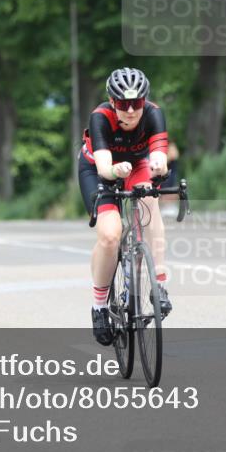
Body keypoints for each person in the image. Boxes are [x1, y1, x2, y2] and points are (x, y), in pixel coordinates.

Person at [78, 67, 170, 345]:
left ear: (145, 101)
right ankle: (99, 307)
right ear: (112, 101)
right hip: (99, 169)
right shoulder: (100, 118)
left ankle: (160, 285)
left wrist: (159, 164)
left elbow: (160, 158)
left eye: (136, 103)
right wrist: (116, 171)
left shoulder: (154, 114)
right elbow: (105, 168)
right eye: (123, 104)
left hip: (137, 165)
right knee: (109, 235)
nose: (130, 111)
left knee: (149, 203)